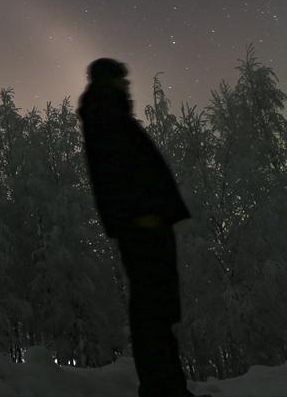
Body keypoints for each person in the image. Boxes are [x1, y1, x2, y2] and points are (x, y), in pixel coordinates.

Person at [77, 57, 194, 397]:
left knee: (155, 308)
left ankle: (167, 386)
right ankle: (163, 389)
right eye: (121, 79)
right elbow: (115, 170)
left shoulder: (108, 115)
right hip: (142, 224)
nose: (126, 84)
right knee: (153, 309)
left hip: (143, 221)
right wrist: (140, 213)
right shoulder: (106, 116)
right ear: (109, 81)